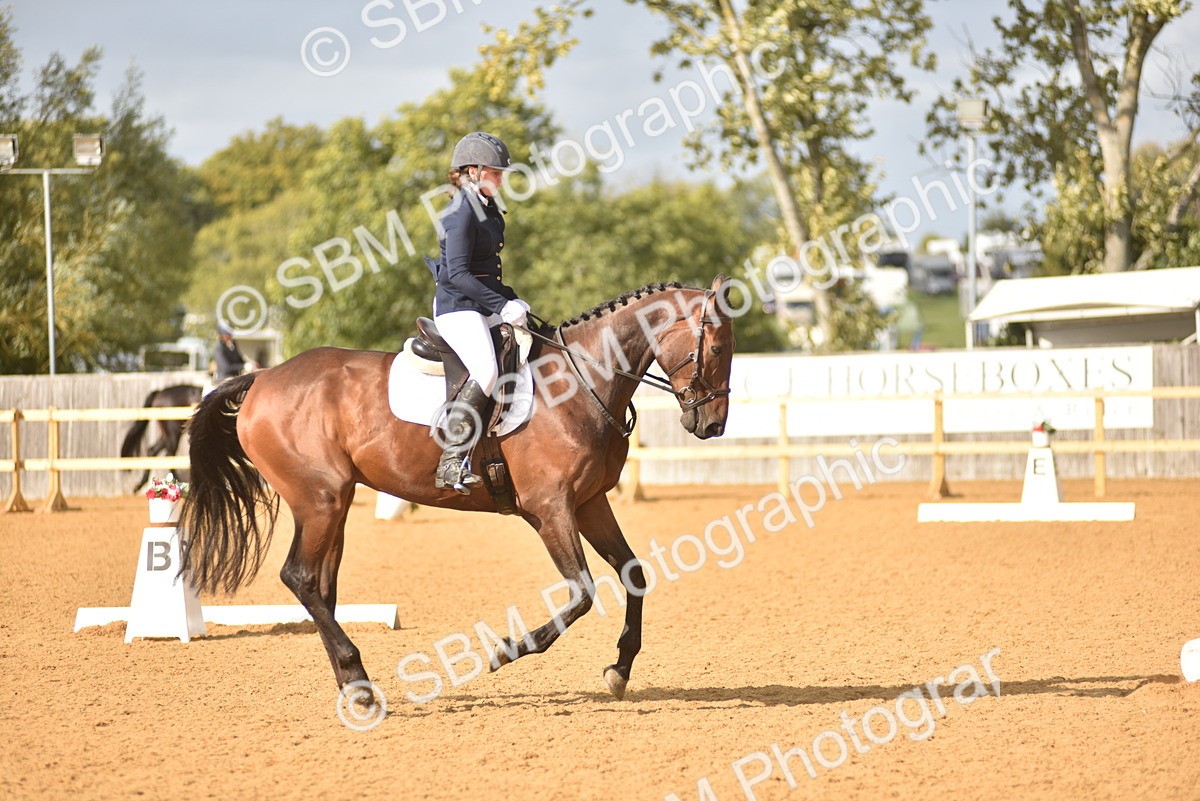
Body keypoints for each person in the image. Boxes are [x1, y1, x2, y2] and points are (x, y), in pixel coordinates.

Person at [430, 131, 529, 494]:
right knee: (486, 368)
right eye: (495, 172)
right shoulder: (459, 214)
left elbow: (488, 270)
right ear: (472, 171)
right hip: (458, 308)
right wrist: (502, 306)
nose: (501, 179)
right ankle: (452, 460)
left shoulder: (487, 210)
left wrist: (513, 299)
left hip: (481, 302)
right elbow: (458, 274)